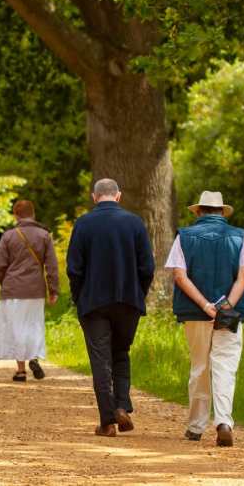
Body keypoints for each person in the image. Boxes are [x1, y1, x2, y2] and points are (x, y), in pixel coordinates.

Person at [165, 191, 244, 447]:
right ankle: (224, 422)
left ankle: (196, 427)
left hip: (196, 313)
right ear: (222, 212)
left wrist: (206, 306)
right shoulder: (239, 237)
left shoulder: (184, 237)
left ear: (198, 212)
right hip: (231, 312)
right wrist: (226, 305)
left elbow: (180, 277)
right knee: (225, 366)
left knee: (200, 366)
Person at [66, 178, 155, 437]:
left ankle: (107, 421)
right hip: (128, 301)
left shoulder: (83, 224)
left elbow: (74, 268)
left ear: (95, 197)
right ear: (118, 196)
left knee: (100, 359)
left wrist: (78, 297)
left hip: (93, 302)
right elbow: (147, 268)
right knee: (121, 353)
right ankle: (122, 405)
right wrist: (139, 294)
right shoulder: (135, 223)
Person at [0, 200, 60, 382]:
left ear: (16, 214)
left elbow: (0, 264)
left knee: (16, 328)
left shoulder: (8, 236)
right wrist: (53, 289)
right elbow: (51, 265)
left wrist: (3, 282)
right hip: (35, 290)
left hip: (13, 289)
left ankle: (21, 370)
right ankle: (34, 358)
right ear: (33, 214)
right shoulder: (44, 235)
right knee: (33, 325)